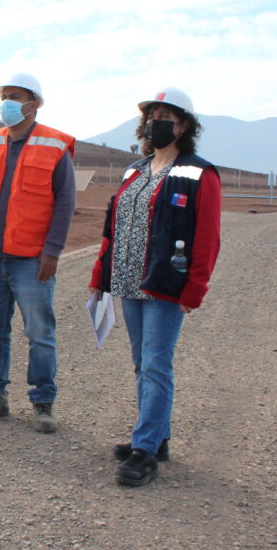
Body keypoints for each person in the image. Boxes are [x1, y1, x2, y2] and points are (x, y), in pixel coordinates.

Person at [89, 87, 221, 487]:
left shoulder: (200, 172)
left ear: (184, 125)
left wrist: (194, 290)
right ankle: (157, 437)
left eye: (168, 115)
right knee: (141, 364)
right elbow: (114, 229)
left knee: (156, 364)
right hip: (129, 281)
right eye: (152, 115)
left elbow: (208, 236)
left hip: (165, 286)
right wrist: (101, 277)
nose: (157, 121)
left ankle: (144, 450)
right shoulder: (134, 170)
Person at [0, 73, 75, 433]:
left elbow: (65, 203)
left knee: (40, 332)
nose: (6, 102)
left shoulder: (54, 146)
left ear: (34, 103)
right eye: (4, 96)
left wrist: (52, 252)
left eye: (15, 96)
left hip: (31, 261)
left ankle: (43, 402)